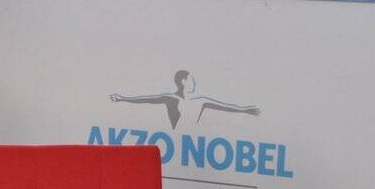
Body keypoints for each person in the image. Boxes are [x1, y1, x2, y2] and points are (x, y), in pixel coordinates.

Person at [110, 71, 262, 128]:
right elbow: (146, 99)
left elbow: (224, 106)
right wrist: (122, 98)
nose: (194, 84)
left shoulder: (200, 100)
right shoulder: (170, 98)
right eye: (192, 80)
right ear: (183, 81)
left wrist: (245, 110)